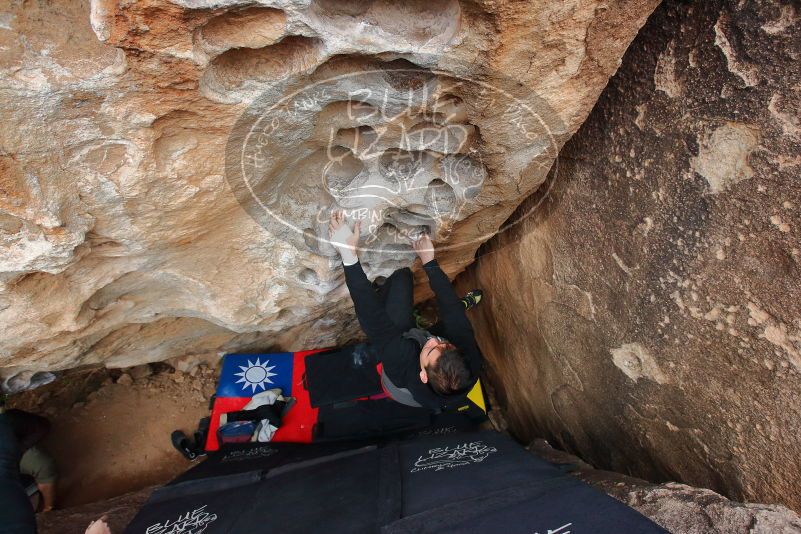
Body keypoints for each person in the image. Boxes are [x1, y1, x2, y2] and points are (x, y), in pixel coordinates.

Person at [328, 210, 483, 411]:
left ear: (423, 375)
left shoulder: (401, 361)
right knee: (453, 318)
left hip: (400, 385)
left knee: (400, 282)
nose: (434, 340)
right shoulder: (468, 359)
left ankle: (384, 296)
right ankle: (451, 321)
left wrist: (348, 255)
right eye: (446, 344)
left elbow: (373, 319)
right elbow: (451, 309)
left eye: (431, 349)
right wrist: (429, 261)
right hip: (432, 357)